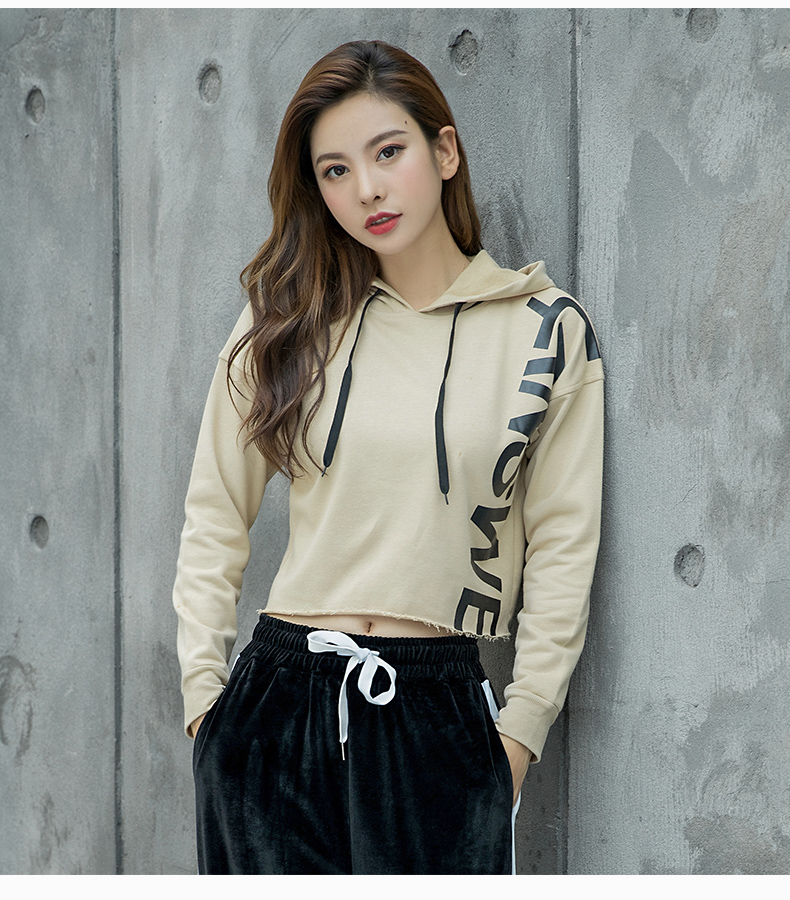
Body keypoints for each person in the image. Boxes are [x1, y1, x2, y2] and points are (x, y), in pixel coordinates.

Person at [172, 39, 603, 876]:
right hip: (276, 708)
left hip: (437, 716)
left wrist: (516, 741)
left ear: (445, 152)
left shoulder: (545, 331)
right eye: (334, 170)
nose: (365, 188)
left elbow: (564, 547)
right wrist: (206, 711)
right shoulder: (286, 318)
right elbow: (213, 511)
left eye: (388, 152)